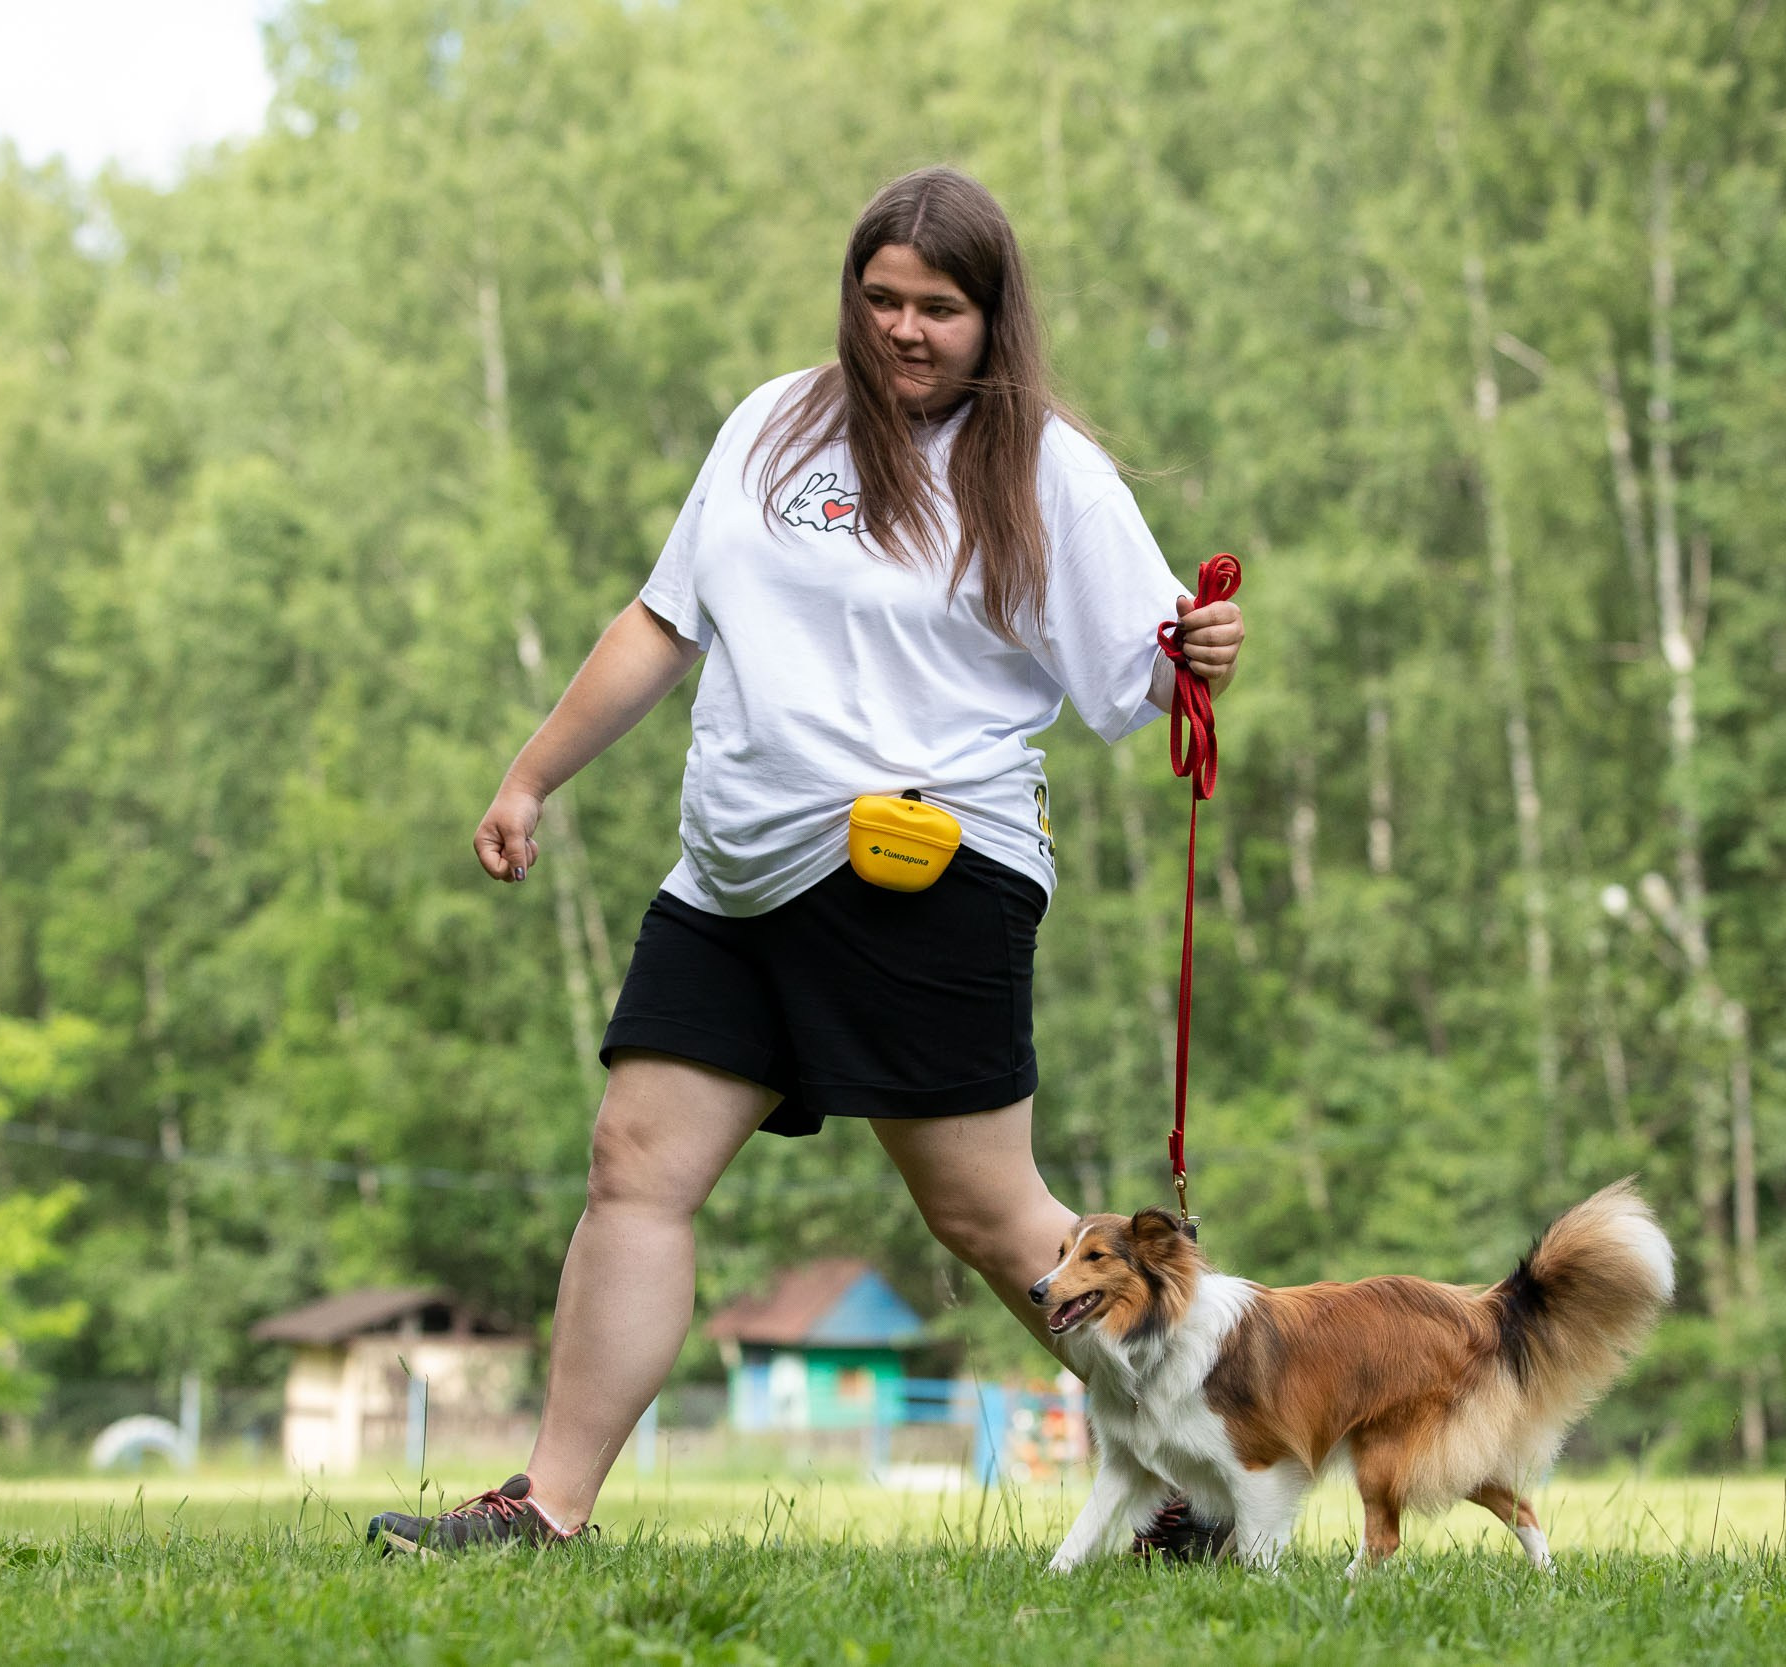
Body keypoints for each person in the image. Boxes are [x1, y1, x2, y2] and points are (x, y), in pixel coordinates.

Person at [365, 166, 1245, 1555]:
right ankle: (548, 1507)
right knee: (634, 1165)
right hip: (729, 873)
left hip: (926, 868)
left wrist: (1197, 653)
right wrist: (532, 775)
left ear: (994, 317)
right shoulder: (774, 425)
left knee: (987, 1208)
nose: (903, 329)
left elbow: (1145, 669)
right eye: (880, 298)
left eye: (939, 308)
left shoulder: (1049, 471)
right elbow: (665, 622)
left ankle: (1206, 1473)